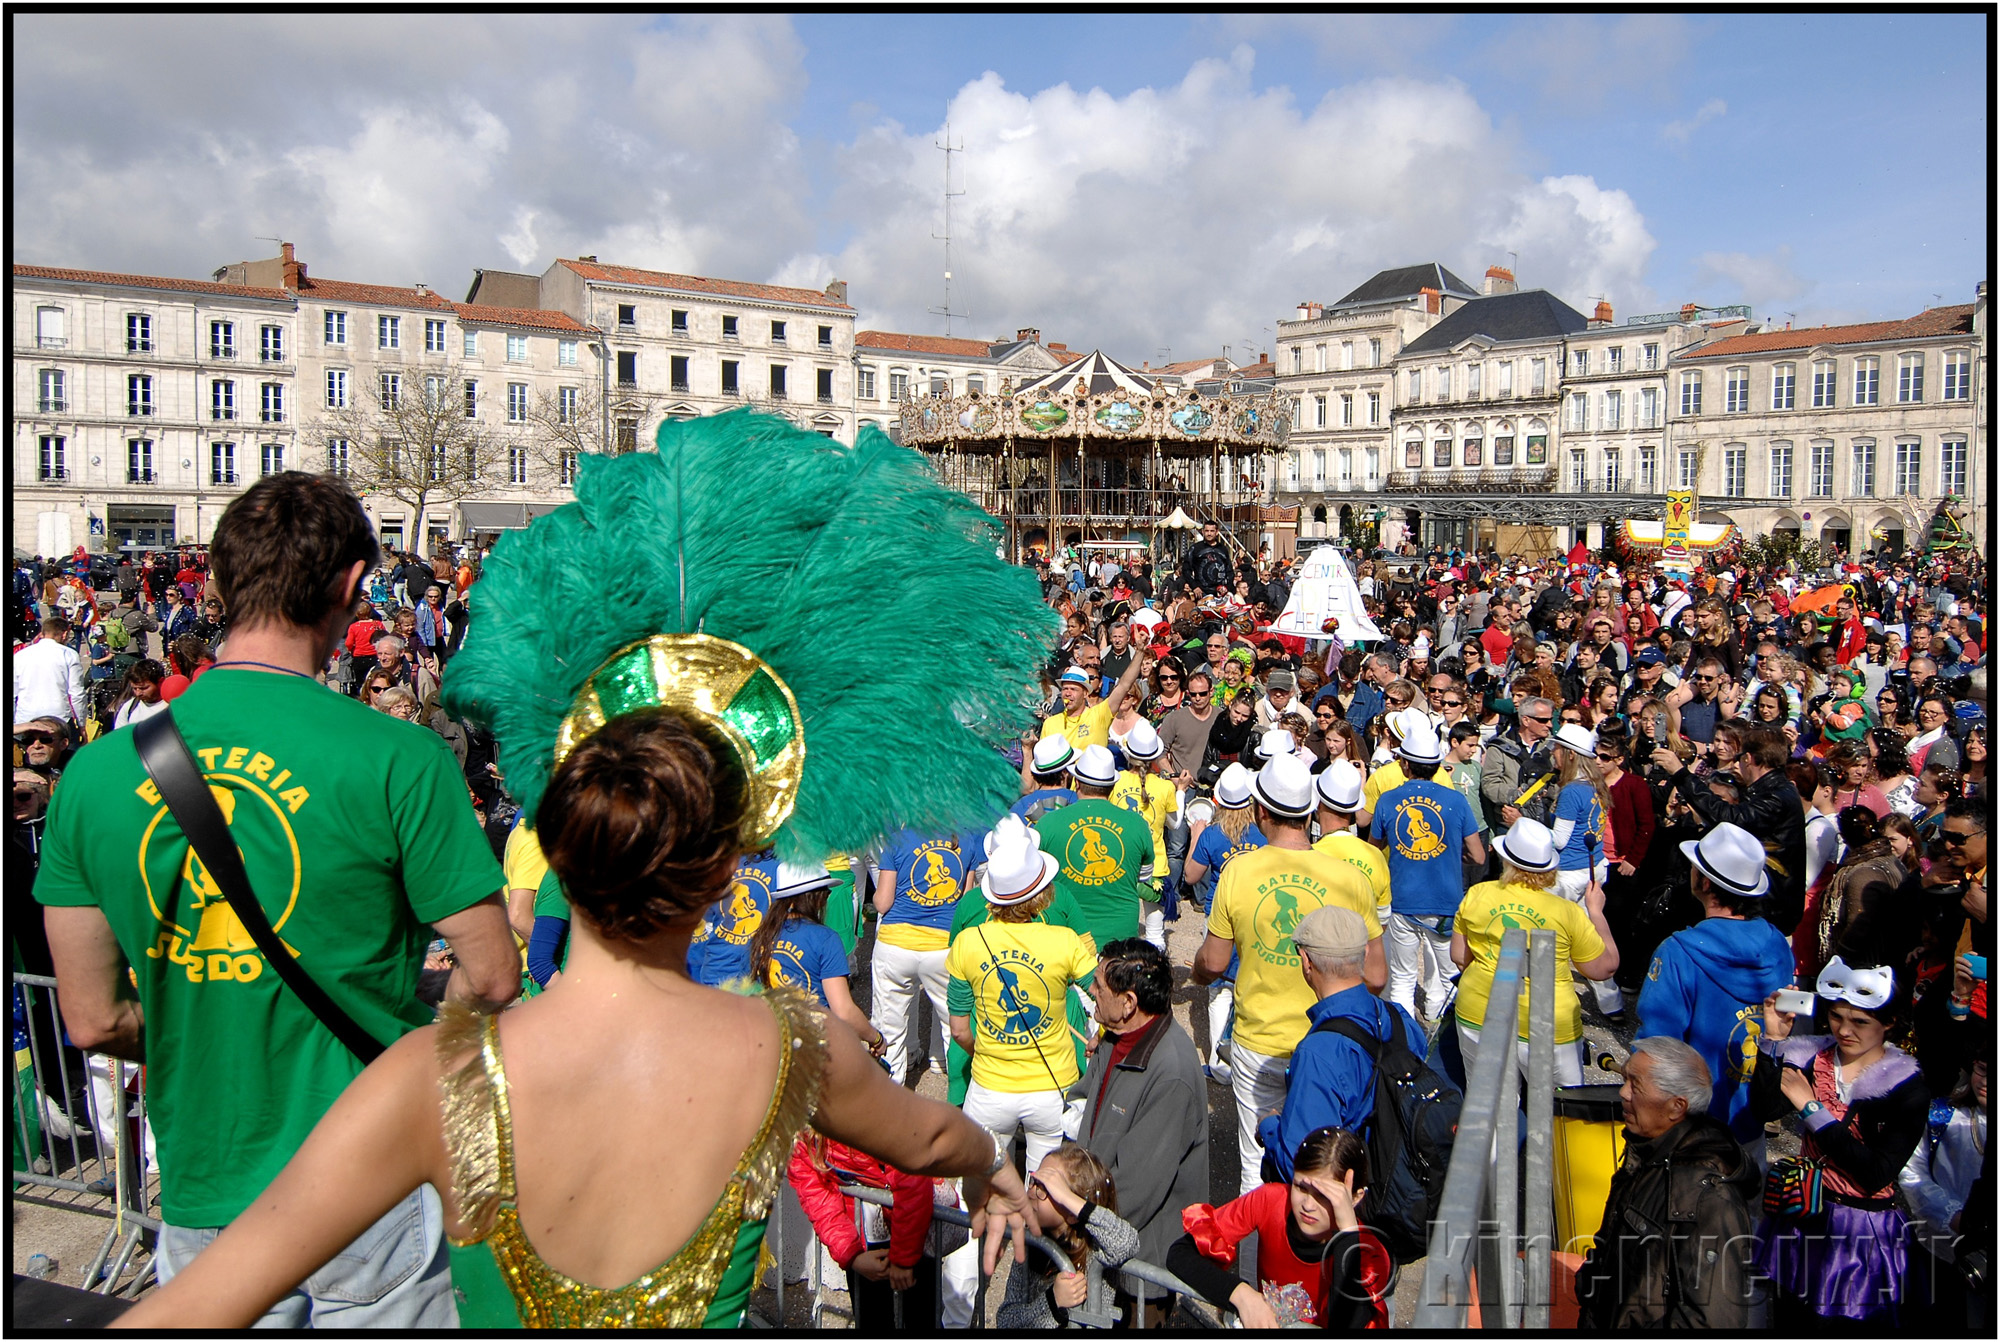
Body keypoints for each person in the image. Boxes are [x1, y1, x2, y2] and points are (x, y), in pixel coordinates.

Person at [112, 424, 1041, 1330]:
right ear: (726, 864)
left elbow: (199, 1301)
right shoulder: (794, 1052)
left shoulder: (429, 1083)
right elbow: (932, 1136)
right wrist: (989, 1167)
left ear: (556, 849)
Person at [42, 472, 521, 1328]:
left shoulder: (93, 774)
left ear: (222, 584)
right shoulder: (398, 757)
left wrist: (208, 1022)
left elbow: (89, 1019)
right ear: (348, 587)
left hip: (203, 1183)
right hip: (365, 1179)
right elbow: (490, 977)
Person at [1193, 754, 1384, 1194]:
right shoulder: (1349, 877)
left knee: (1256, 1168)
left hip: (1259, 1041)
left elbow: (1215, 963)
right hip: (1332, 1042)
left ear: (1261, 811)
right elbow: (1375, 976)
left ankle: (1254, 1263)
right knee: (1327, 1167)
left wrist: (1200, 971)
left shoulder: (1239, 871)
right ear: (1310, 812)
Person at [1755, 961, 1930, 1329]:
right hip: (1803, 1214)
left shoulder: (1906, 1087)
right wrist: (1773, 1041)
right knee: (1792, 1322)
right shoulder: (1812, 1057)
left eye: (1861, 1022)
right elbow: (1764, 1109)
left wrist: (1813, 1110)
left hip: (1860, 1230)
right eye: (1836, 1017)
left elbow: (1876, 1172)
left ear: (1889, 1023)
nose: (1844, 1031)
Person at [1634, 822, 1797, 1162]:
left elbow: (1658, 1047)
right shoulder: (1777, 943)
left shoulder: (1677, 952)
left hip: (1691, 1131)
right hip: (1749, 1121)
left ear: (1705, 882)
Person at [1574, 1038, 1762, 1329]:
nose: (1623, 1093)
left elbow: (1712, 1322)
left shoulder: (1710, 1198)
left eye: (1634, 1085)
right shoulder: (1647, 1154)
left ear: (1676, 1107)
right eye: (1624, 1080)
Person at [947, 817, 1098, 1171]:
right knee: (1043, 1187)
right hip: (1052, 1086)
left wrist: (985, 1050)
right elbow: (1103, 991)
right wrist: (1098, 1036)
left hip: (989, 1085)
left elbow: (958, 1029)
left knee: (978, 1187)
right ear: (1042, 892)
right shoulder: (1064, 941)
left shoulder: (969, 942)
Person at [1068, 939, 1209, 1277]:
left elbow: (1134, 1189)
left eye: (1099, 985)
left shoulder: (1171, 1074)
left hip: (1141, 1265)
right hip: (1101, 1237)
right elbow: (1082, 1107)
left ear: (1129, 1003)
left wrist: (1071, 1219)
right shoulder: (1114, 1036)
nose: (1090, 990)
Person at [1257, 906, 1425, 1183]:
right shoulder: (1399, 1017)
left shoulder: (1318, 1053)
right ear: (1365, 954)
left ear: (1306, 961)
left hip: (1352, 1207)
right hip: (1403, 1183)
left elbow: (1301, 1165)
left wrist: (1270, 1127)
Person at [1166, 1126, 1394, 1329]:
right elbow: (1180, 1254)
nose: (1307, 1205)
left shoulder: (1369, 1252)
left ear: (1354, 1198)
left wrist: (1347, 1233)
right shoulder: (1271, 1200)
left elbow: (1347, 1323)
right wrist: (1242, 1294)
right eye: (1301, 1187)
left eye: (1324, 1196)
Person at [1452, 818, 1618, 1086]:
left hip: (1479, 1013)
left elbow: (1460, 957)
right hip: (1549, 1024)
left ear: (1507, 859)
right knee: (1561, 1114)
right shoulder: (1568, 912)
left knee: (1488, 1112)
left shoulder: (1477, 893)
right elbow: (1603, 968)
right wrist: (1596, 912)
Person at [1377, 720, 1486, 1022]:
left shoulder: (1388, 800)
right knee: (1451, 974)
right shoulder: (1456, 801)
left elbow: (1375, 849)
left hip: (1402, 899)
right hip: (1446, 901)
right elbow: (1478, 856)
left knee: (1401, 976)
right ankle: (1446, 1032)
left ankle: (1404, 1039)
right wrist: (1453, 853)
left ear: (1405, 764)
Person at [1652, 726, 1808, 929]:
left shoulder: (1776, 796)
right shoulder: (1773, 788)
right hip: (1764, 909)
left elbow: (1731, 819)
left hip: (1770, 911)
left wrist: (1681, 775)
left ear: (1748, 759)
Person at [787, 1131, 938, 1331]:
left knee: (920, 1316)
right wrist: (852, 1255)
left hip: (913, 1234)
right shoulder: (803, 1133)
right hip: (861, 1240)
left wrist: (904, 1259)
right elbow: (816, 1195)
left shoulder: (876, 1112)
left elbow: (912, 1182)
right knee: (872, 1318)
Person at [995, 1144, 1141, 1329]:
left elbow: (1127, 1243)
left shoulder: (1095, 1249)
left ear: (1072, 1213)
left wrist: (1068, 1198)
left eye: (1045, 1188)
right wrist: (1052, 1303)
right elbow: (1006, 1320)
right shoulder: (1031, 1242)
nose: (1031, 1192)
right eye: (1034, 1181)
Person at [873, 828, 974, 1084]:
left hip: (896, 944)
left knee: (890, 1027)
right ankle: (959, 1092)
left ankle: (891, 1094)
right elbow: (966, 901)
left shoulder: (897, 838)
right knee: (955, 1023)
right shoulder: (968, 839)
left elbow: (883, 903)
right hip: (944, 947)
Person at [1034, 744, 1154, 954]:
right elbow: (1144, 876)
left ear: (1077, 782)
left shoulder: (1047, 824)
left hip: (1064, 935)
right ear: (1113, 786)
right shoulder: (1137, 824)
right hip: (1119, 937)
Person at [1898, 1057, 1988, 1332]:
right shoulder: (1942, 1115)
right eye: (1983, 1070)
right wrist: (1952, 1216)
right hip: (1941, 1249)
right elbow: (1912, 1172)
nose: (1985, 1081)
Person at [13, 614, 89, 734]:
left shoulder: (20, 655)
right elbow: (77, 693)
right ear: (64, 634)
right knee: (71, 752)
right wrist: (81, 724)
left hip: (25, 718)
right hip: (58, 718)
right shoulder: (69, 654)